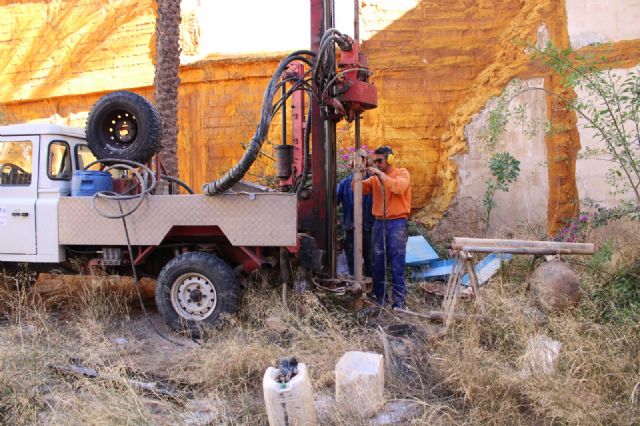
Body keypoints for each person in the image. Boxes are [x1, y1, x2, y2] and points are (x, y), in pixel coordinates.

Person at [360, 146, 411, 309]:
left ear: (390, 159)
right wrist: (358, 173)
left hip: (397, 223)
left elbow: (399, 188)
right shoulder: (374, 179)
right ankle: (379, 298)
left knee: (397, 263)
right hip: (379, 223)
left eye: (379, 161)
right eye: (374, 161)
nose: (377, 164)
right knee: (378, 262)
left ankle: (399, 302)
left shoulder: (402, 173)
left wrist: (381, 175)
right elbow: (358, 188)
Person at [337, 150, 374, 276]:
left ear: (367, 161)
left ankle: (372, 290)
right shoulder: (344, 184)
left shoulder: (373, 182)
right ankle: (355, 286)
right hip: (351, 229)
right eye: (356, 159)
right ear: (351, 163)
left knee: (370, 260)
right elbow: (333, 203)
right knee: (352, 260)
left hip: (369, 229)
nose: (359, 162)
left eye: (362, 159)